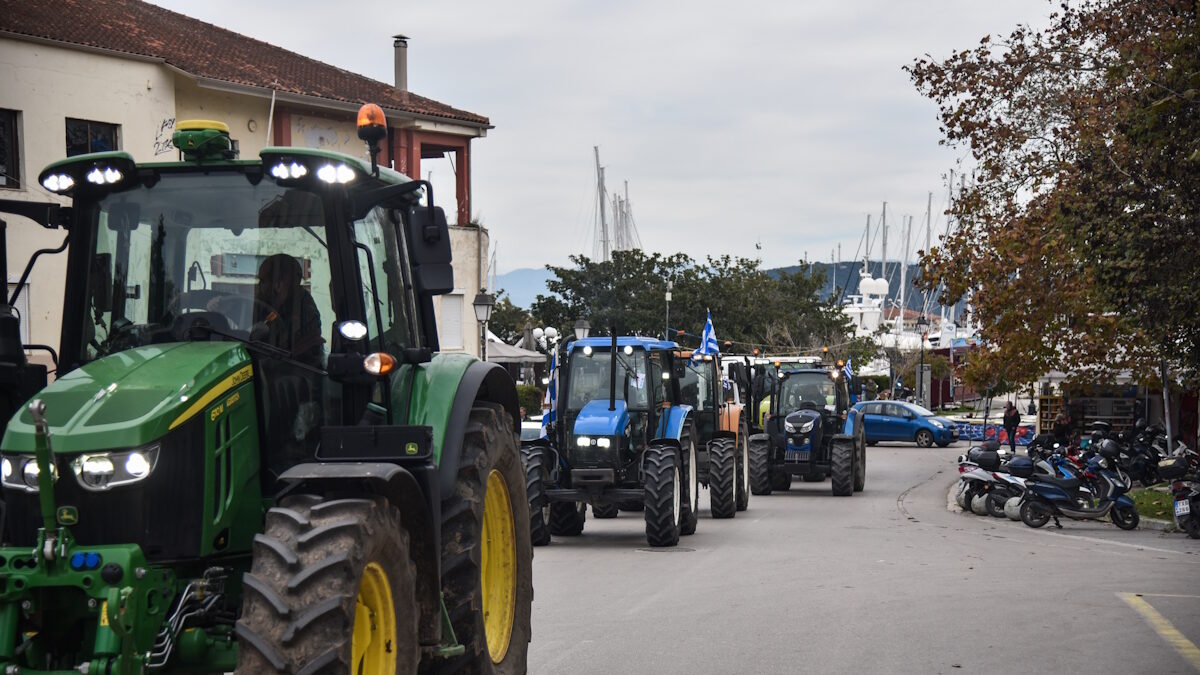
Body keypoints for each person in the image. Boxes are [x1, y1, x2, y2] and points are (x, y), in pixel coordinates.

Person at [252, 253, 324, 366]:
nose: (259, 286)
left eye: (263, 281)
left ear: (278, 285)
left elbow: (282, 353)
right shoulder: (271, 307)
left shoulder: (303, 312)